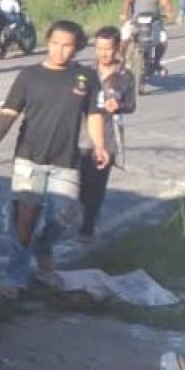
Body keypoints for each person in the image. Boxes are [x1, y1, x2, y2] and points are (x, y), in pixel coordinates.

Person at [0, 20, 110, 300]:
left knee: (64, 218)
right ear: (47, 42)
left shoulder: (86, 78)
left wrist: (99, 144)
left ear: (77, 48)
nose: (60, 50)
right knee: (25, 220)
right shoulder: (28, 76)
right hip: (29, 158)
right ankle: (16, 277)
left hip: (66, 161)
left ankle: (44, 249)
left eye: (68, 45)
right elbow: (8, 114)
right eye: (55, 43)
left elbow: (93, 115)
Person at [77, 27, 135, 243]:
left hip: (108, 137)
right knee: (80, 186)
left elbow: (131, 105)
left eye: (108, 49)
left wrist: (119, 104)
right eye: (99, 48)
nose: (103, 53)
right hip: (81, 135)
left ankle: (87, 227)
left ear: (118, 48)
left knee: (96, 185)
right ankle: (90, 209)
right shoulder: (85, 73)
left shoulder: (125, 76)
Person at [120, 0, 173, 74]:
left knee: (163, 40)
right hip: (135, 20)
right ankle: (122, 61)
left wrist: (169, 13)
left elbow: (165, 3)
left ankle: (156, 62)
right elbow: (127, 0)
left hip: (154, 22)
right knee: (124, 37)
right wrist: (124, 14)